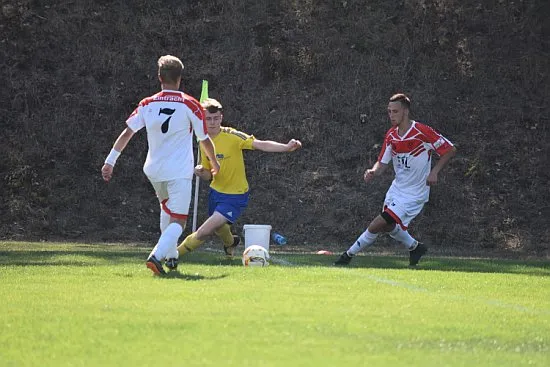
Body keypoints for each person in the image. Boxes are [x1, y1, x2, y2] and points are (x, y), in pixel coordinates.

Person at [101, 55, 219, 275]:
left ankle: (172, 258)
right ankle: (156, 256)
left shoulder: (147, 103)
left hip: (154, 171)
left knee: (167, 209)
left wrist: (110, 161)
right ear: (180, 79)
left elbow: (128, 132)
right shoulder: (190, 104)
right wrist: (214, 163)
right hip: (179, 172)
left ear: (159, 78)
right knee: (179, 221)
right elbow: (204, 140)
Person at [334, 93, 457, 267]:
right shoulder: (391, 135)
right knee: (387, 227)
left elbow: (450, 150)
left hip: (415, 192)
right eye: (389, 111)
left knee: (378, 223)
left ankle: (347, 256)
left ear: (405, 112)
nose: (391, 115)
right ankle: (415, 247)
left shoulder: (421, 131)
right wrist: (373, 171)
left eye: (395, 111)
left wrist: (435, 171)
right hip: (397, 189)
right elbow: (382, 162)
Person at [176, 98, 302, 258]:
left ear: (221, 117)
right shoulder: (203, 141)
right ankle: (231, 243)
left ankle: (171, 256)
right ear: (202, 119)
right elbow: (208, 174)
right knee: (219, 228)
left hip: (236, 195)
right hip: (216, 192)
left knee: (204, 231)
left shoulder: (232, 135)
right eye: (208, 118)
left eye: (216, 118)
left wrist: (285, 147)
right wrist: (201, 171)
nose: (213, 122)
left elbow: (260, 144)